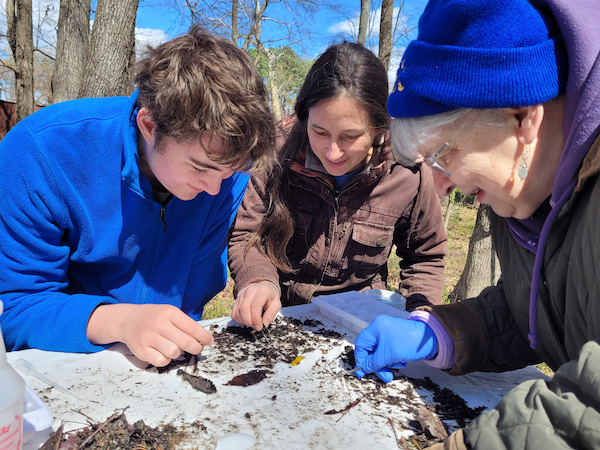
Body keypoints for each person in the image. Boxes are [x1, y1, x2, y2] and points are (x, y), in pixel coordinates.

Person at [353, 0, 600, 448]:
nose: (441, 187)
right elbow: (542, 310)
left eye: (445, 153)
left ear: (523, 117)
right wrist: (441, 333)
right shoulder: (528, 194)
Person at [0, 25, 276, 367]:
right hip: (60, 361)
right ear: (149, 126)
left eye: (229, 172)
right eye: (199, 168)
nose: (214, 190)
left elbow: (194, 291)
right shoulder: (40, 152)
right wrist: (122, 322)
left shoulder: (225, 174)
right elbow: (19, 306)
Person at [228, 42, 447, 331]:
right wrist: (257, 280)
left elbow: (425, 256)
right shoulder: (277, 153)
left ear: (380, 126)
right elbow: (246, 234)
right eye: (319, 132)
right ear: (305, 116)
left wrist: (417, 320)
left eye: (350, 136)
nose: (332, 152)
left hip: (362, 324)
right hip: (280, 317)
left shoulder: (408, 171)